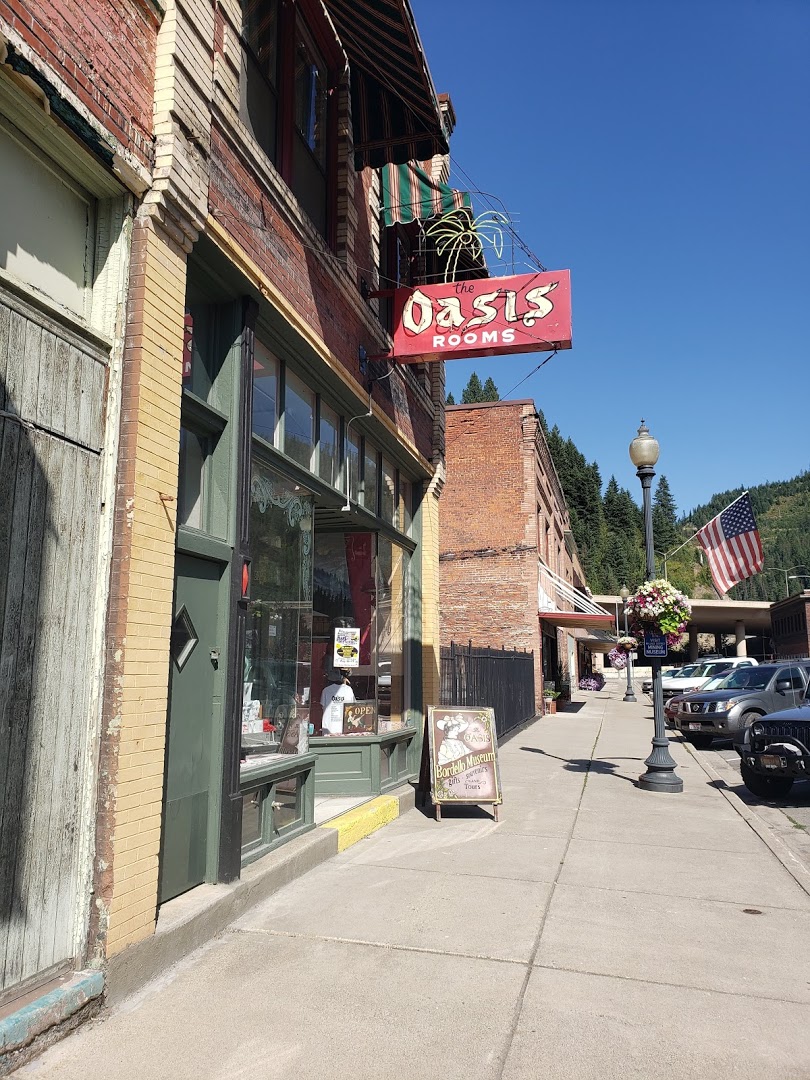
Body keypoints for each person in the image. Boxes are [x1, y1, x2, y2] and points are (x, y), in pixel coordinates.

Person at [320, 669, 355, 736]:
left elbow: (322, 706)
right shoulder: (348, 690)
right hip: (342, 729)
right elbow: (353, 706)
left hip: (330, 729)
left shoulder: (326, 690)